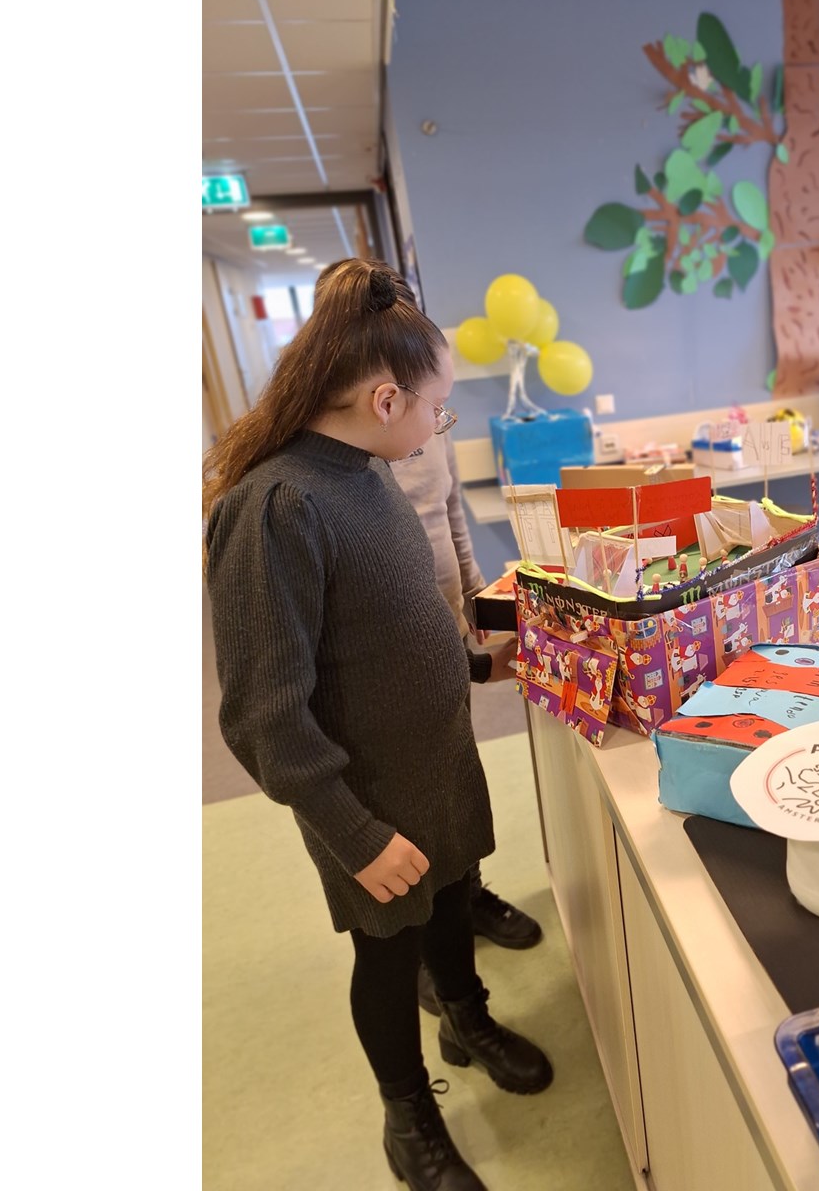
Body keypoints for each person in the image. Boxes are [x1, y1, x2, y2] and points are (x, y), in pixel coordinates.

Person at [204, 257, 551, 1191]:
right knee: (389, 954)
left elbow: (391, 625)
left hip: (434, 763)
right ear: (384, 398)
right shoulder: (275, 507)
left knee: (451, 900)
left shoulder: (368, 471)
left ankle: (468, 1018)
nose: (440, 426)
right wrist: (354, 836)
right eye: (438, 409)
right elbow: (262, 717)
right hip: (363, 798)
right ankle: (410, 1117)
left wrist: (475, 663)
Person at [314, 261, 543, 1017]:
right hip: (379, 654)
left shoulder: (409, 432)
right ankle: (421, 947)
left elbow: (447, 517)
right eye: (436, 408)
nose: (440, 423)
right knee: (404, 814)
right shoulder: (329, 476)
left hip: (437, 630)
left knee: (449, 794)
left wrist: (476, 614)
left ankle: (461, 905)